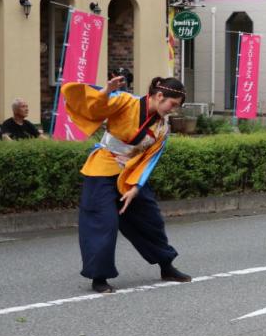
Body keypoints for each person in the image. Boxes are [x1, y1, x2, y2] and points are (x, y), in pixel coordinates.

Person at [61, 74, 192, 293]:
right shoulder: (125, 101)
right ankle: (99, 277)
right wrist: (106, 91)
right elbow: (95, 110)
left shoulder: (162, 128)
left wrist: (136, 187)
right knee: (103, 222)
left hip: (131, 173)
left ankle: (166, 265)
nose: (173, 110)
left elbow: (149, 159)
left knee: (150, 219)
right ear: (159, 96)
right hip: (103, 168)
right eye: (173, 104)